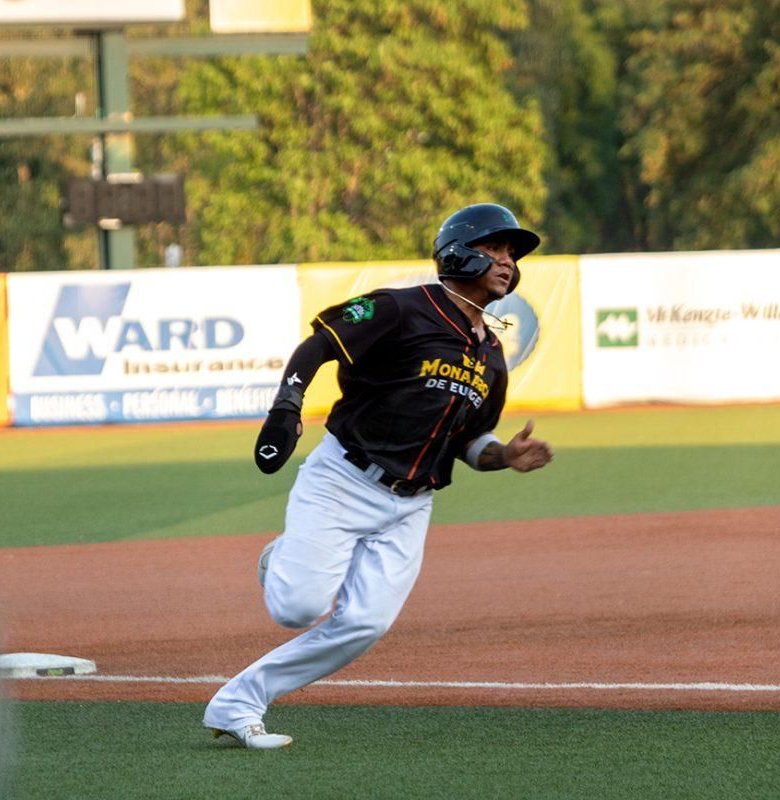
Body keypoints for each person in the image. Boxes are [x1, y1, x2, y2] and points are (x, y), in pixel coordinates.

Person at [203, 203, 555, 749]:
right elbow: (319, 344)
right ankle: (283, 556)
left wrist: (504, 455)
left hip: (411, 505)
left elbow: (469, 441)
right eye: (496, 248)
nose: (508, 261)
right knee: (295, 608)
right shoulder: (402, 308)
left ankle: (240, 702)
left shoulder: (492, 356)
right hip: (344, 480)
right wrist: (287, 406)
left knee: (365, 623)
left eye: (513, 254)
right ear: (458, 252)